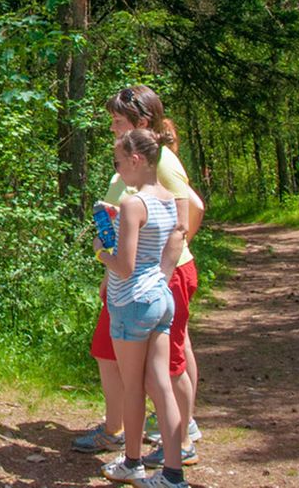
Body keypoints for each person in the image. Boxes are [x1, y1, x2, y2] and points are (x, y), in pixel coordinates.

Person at [75, 86, 205, 470]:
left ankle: (180, 441)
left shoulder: (159, 161)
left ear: (141, 124)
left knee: (169, 363)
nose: (112, 127)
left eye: (118, 121)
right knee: (111, 351)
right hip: (130, 280)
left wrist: (166, 262)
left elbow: (191, 209)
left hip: (153, 279)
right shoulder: (138, 162)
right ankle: (120, 429)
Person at [96, 129, 187, 488]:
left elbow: (125, 265)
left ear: (136, 161)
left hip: (131, 301)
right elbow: (174, 244)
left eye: (118, 163)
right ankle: (173, 472)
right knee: (161, 384)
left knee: (133, 387)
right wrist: (162, 281)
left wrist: (101, 250)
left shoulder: (134, 204)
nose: (117, 172)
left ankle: (132, 462)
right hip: (160, 299)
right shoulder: (169, 198)